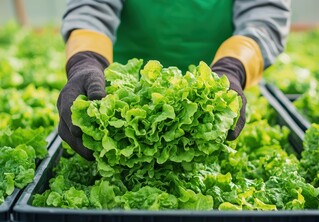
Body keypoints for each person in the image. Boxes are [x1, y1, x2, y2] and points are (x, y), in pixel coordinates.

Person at [57, 0, 291, 160]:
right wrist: (86, 59)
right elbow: (91, 5)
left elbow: (264, 13)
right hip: (122, 89)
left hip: (224, 82)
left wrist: (234, 67)